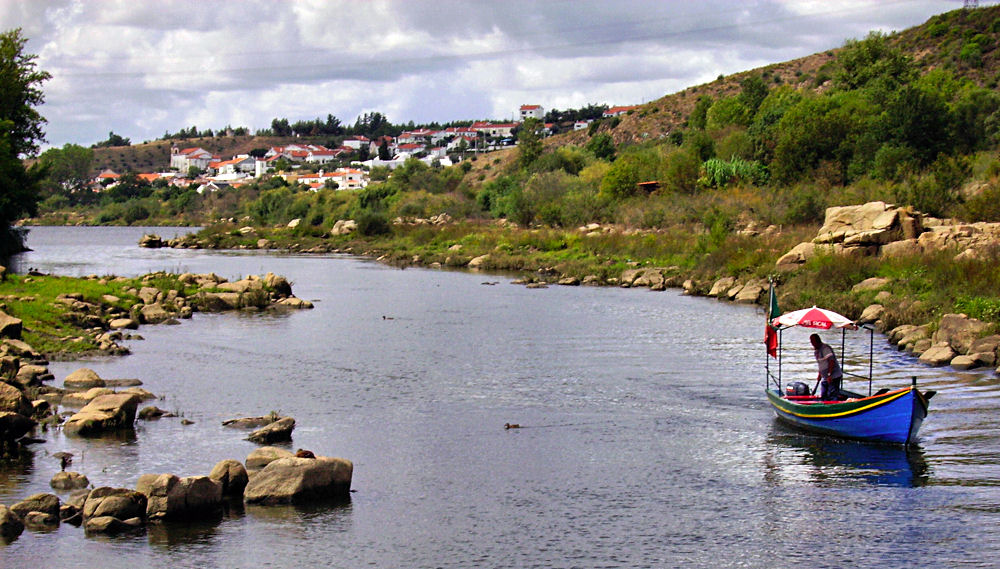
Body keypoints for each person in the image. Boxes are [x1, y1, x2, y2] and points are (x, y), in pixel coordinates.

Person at [810, 333, 843, 400]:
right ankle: (824, 403)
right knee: (824, 394)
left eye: (813, 341)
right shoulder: (816, 352)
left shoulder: (825, 348)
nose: (812, 343)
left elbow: (831, 361)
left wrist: (829, 374)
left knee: (832, 394)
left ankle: (833, 406)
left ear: (817, 341)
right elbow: (821, 364)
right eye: (811, 342)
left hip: (833, 376)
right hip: (825, 377)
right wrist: (820, 374)